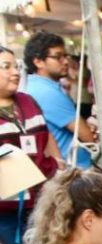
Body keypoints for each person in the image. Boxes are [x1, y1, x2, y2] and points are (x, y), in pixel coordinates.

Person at [0, 45, 62, 244]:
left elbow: (45, 140)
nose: (15, 72)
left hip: (41, 203)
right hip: (6, 214)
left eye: (16, 66)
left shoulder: (27, 101)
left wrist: (60, 169)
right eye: (6, 67)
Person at [22, 32, 95, 169]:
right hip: (71, 169)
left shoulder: (36, 85)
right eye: (58, 57)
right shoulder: (46, 92)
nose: (66, 61)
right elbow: (87, 136)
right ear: (38, 62)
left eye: (65, 55)